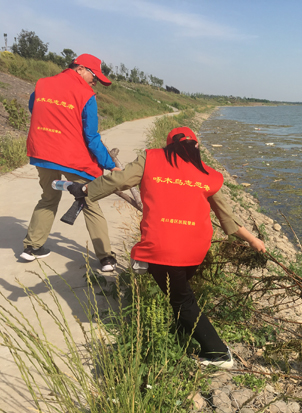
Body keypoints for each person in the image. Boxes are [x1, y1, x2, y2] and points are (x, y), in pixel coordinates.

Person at [67, 126, 266, 368]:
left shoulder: (151, 158)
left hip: (162, 248)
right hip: (195, 250)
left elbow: (120, 180)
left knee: (183, 301)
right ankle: (182, 330)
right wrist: (253, 240)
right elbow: (227, 218)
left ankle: (218, 353)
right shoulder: (207, 173)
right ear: (196, 147)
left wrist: (85, 189)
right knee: (179, 294)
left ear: (168, 144)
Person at [21, 53, 120, 271]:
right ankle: (106, 258)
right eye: (94, 77)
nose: (95, 82)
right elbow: (91, 137)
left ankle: (31, 247)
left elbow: (34, 108)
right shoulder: (86, 94)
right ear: (80, 69)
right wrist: (110, 164)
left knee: (48, 197)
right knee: (89, 200)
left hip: (42, 151)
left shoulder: (43, 84)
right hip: (72, 157)